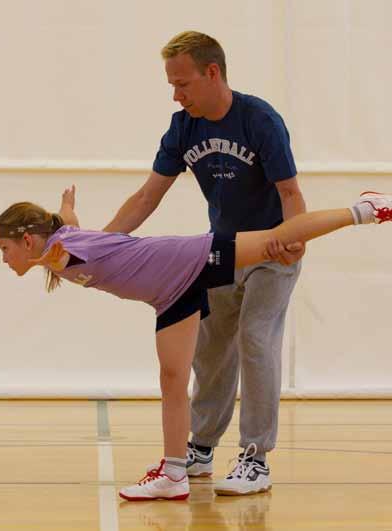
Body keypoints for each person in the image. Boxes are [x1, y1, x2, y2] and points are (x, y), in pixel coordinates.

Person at [0, 185, 392, 501]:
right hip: (169, 294)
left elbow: (56, 244)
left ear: (28, 240)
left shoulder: (57, 249)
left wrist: (52, 234)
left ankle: (365, 210)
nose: (4, 258)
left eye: (5, 248)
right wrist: (67, 211)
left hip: (189, 258)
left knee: (278, 241)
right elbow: (65, 231)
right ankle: (176, 472)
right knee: (172, 377)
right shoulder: (63, 241)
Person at [102, 30, 307, 495]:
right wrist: (100, 244)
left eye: (183, 84)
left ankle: (256, 458)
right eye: (172, 85)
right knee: (211, 350)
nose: (176, 94)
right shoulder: (183, 128)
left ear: (212, 72)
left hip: (273, 250)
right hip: (219, 253)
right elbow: (147, 195)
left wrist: (294, 240)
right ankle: (201, 447)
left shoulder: (260, 120)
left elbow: (291, 193)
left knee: (256, 338)